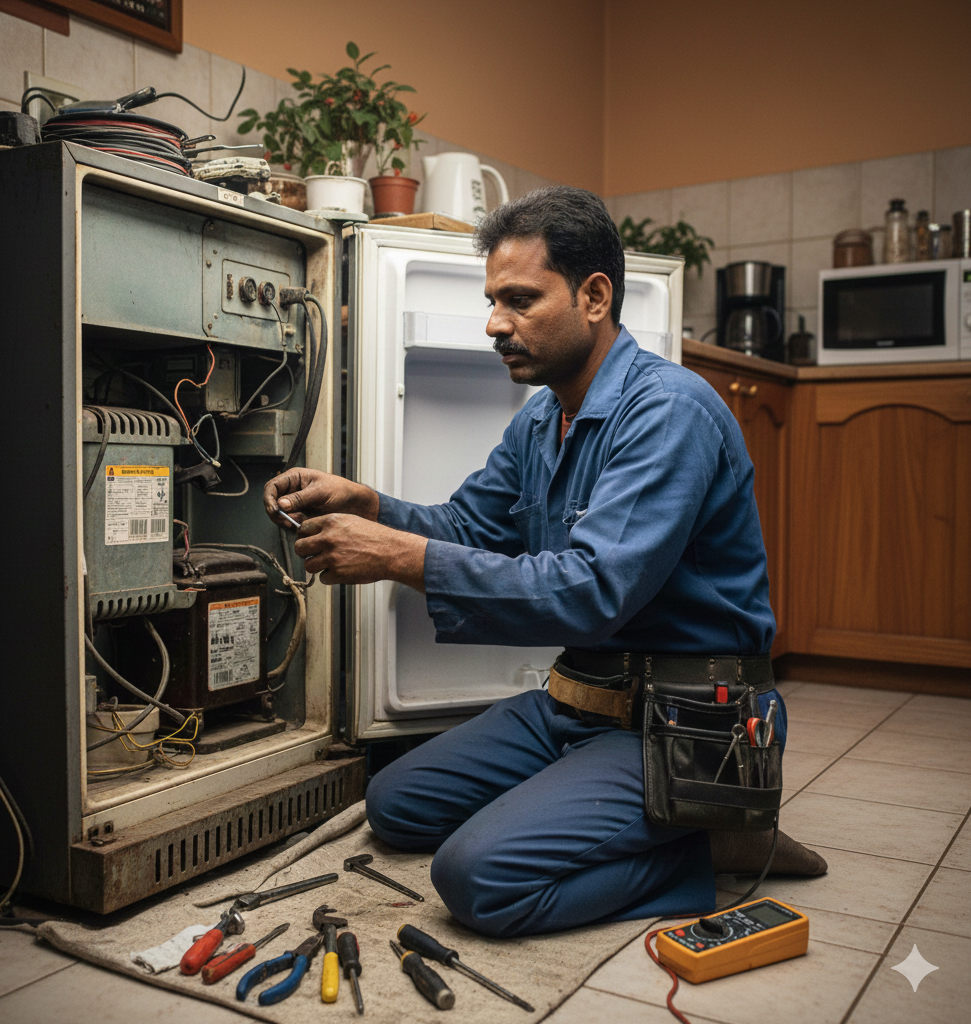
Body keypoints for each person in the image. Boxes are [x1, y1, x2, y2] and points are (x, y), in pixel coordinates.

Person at [263, 186, 826, 939]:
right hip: (574, 704)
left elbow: (592, 592)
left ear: (594, 296)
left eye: (520, 300)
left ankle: (715, 843)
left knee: (477, 879)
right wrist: (370, 506)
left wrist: (399, 557)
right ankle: (592, 803)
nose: (496, 324)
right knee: (395, 804)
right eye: (492, 301)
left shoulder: (668, 412)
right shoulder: (543, 417)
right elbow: (466, 525)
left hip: (685, 724)